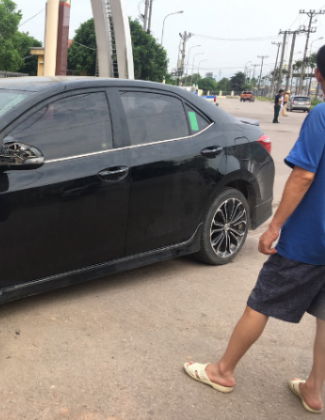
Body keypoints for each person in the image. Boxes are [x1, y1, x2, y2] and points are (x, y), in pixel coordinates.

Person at [184, 44, 325, 414]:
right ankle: (314, 391)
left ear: (318, 75)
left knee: (260, 302)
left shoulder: (321, 115)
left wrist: (274, 226)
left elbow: (304, 176)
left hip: (311, 239)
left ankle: (222, 371)